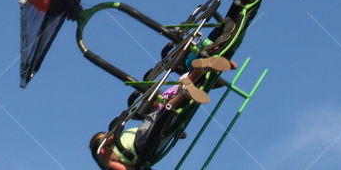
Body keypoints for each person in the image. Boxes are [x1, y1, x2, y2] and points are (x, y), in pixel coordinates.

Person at [89, 56, 236, 170]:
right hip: (146, 132)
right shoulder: (120, 138)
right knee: (171, 113)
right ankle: (199, 72)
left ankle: (188, 88)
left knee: (168, 113)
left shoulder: (108, 160)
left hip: (144, 143)